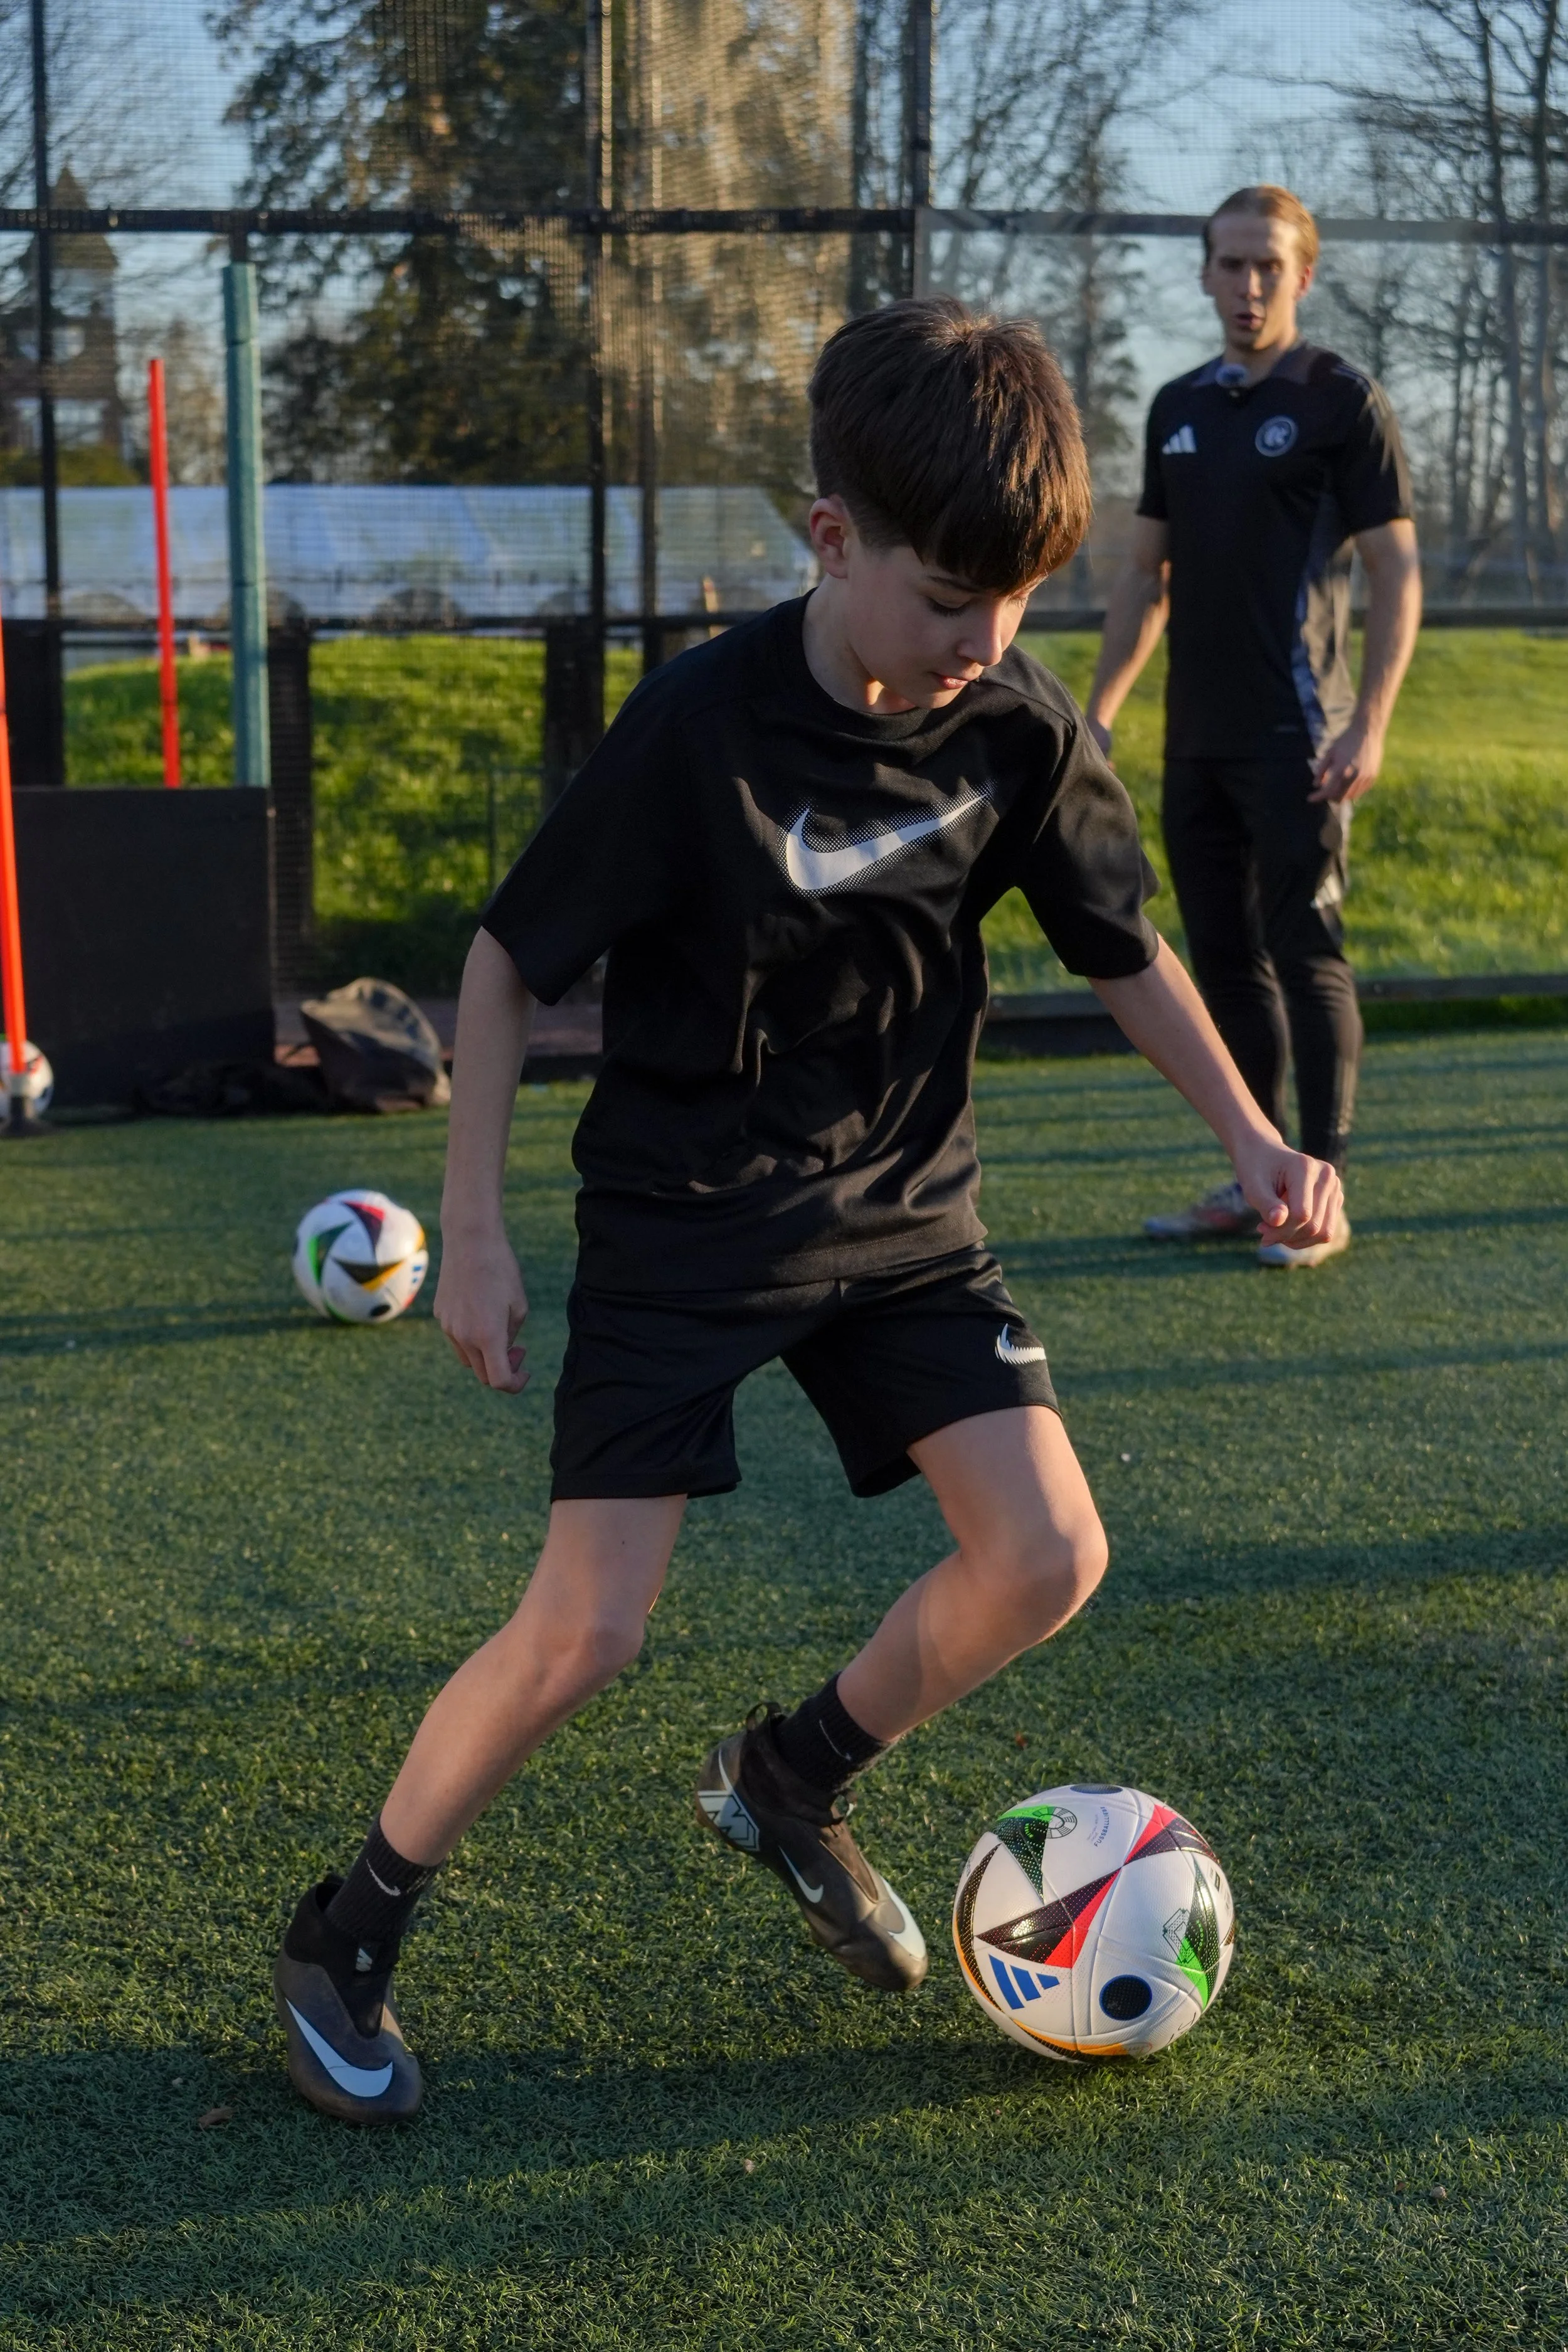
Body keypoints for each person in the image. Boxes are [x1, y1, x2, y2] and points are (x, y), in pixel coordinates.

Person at [271, 297, 1342, 2123]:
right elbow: (507, 959)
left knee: (1046, 1551)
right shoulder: (698, 722)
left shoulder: (1012, 718)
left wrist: (1250, 1136)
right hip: (685, 1218)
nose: (979, 641)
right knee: (583, 1634)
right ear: (829, 535)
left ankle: (788, 1773)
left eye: (1013, 601)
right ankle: (346, 1926)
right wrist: (483, 1217)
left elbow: (1124, 947)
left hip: (904, 1207)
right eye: (944, 598)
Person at [1085, 184, 1421, 1267]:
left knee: (1307, 955)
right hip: (1197, 740)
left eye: (1269, 265)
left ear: (1303, 275)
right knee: (1223, 963)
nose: (1248, 285)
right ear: (1204, 273)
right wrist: (1096, 715)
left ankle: (1322, 1196)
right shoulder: (1176, 406)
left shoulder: (1341, 399)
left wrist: (1368, 722)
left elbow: (1395, 568)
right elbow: (1145, 575)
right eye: (1230, 264)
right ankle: (1254, 1177)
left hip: (1301, 741)